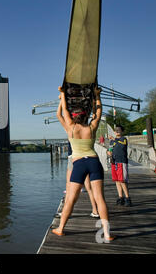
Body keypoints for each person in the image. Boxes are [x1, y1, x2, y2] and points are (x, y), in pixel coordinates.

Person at [52, 86, 114, 242]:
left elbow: (59, 113)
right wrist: (97, 96)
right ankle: (106, 234)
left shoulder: (71, 128)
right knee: (100, 198)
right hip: (94, 161)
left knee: (71, 199)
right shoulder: (92, 127)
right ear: (86, 115)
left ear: (73, 117)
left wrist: (62, 96)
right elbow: (98, 112)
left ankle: (60, 229)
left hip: (79, 163)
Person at [57, 136, 100, 219]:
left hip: (74, 157)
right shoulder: (86, 130)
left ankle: (65, 213)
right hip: (87, 157)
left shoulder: (72, 129)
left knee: (69, 186)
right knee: (89, 187)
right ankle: (95, 211)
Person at [107, 125, 132, 207]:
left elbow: (122, 145)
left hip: (121, 161)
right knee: (117, 180)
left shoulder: (123, 139)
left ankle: (127, 198)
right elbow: (110, 149)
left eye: (119, 130)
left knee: (122, 180)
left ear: (122, 131)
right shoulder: (112, 141)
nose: (117, 131)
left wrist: (114, 139)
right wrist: (108, 152)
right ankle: (120, 197)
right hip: (114, 162)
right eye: (115, 130)